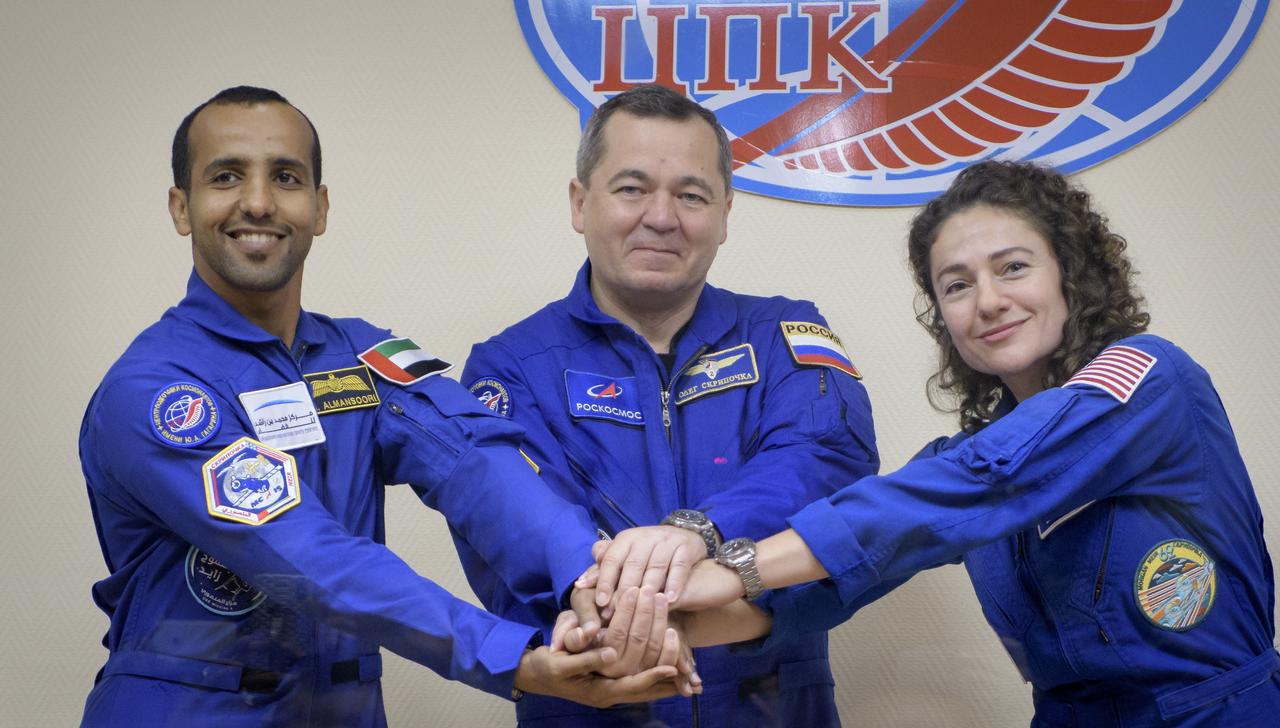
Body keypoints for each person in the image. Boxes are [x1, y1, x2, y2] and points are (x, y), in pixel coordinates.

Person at [77, 86, 688, 727]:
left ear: (319, 207)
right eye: (226, 176)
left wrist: (586, 579)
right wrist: (511, 655)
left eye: (285, 177)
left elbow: (476, 465)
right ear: (182, 207)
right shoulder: (156, 390)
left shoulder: (361, 356)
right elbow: (303, 558)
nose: (257, 201)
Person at [670, 160, 1280, 725]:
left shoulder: (1148, 380)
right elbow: (833, 581)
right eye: (956, 286)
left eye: (1013, 267)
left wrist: (733, 567)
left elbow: (987, 478)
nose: (987, 301)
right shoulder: (952, 465)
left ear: (1072, 275)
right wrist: (649, 620)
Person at [459, 84, 879, 727]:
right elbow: (510, 531)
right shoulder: (509, 366)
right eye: (632, 188)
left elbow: (827, 460)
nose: (662, 216)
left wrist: (696, 532)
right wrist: (615, 607)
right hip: (593, 701)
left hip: (770, 703)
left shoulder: (784, 335)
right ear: (580, 203)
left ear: (725, 213)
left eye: (691, 194)